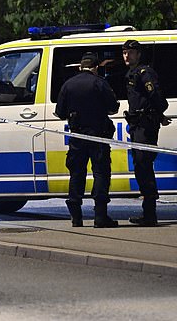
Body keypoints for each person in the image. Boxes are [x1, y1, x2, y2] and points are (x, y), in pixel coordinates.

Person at [55, 51, 120, 228]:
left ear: (80, 67)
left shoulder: (68, 85)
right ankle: (100, 217)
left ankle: (76, 218)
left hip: (77, 137)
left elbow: (60, 112)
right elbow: (113, 107)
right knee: (100, 174)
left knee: (76, 174)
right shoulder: (100, 83)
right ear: (96, 67)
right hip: (99, 136)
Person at [122, 39, 170, 227]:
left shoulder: (144, 72)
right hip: (138, 125)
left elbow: (157, 97)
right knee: (141, 167)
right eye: (125, 52)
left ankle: (150, 215)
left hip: (145, 125)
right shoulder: (132, 73)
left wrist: (158, 114)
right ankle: (148, 213)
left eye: (131, 52)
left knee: (144, 166)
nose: (127, 55)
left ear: (139, 54)